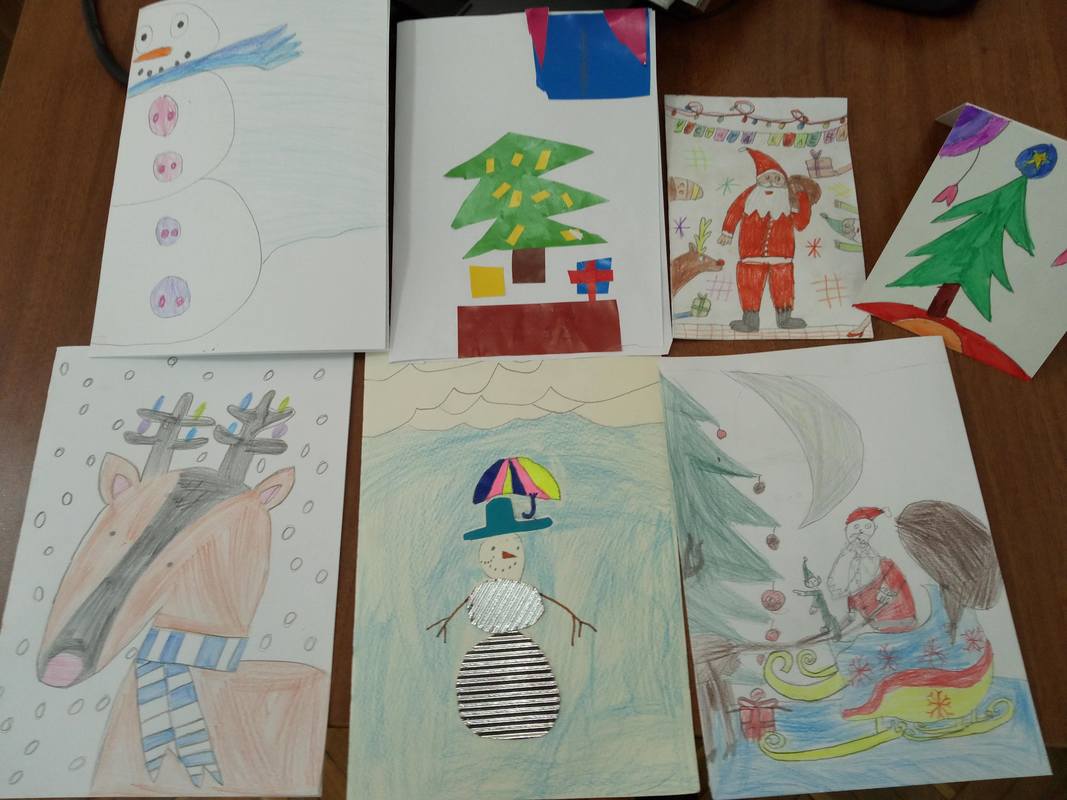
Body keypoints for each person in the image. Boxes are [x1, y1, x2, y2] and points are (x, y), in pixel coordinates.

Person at [718, 148, 812, 332]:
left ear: (784, 182)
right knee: (749, 285)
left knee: (783, 286)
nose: (772, 183)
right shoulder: (750, 195)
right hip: (750, 254)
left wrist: (803, 198)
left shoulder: (788, 200)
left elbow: (801, 224)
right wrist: (727, 231)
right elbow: (734, 210)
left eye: (777, 179)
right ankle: (750, 321)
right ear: (759, 179)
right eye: (767, 178)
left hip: (782, 255)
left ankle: (784, 319)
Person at [827, 507, 917, 633]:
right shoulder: (849, 563)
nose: (860, 532)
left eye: (866, 527)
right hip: (876, 622)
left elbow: (894, 577)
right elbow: (850, 591)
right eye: (856, 527)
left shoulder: (880, 562)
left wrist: (886, 589)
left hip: (896, 617)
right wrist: (845, 619)